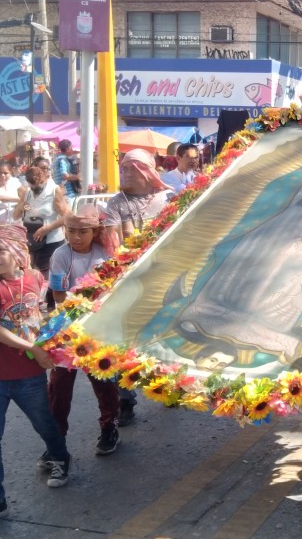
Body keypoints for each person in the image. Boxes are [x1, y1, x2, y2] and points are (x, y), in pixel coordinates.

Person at [139, 134, 302, 371]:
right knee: (252, 248)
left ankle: (269, 319)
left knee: (290, 258)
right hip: (291, 217)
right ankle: (218, 304)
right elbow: (285, 187)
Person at [0, 224, 71, 517]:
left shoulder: (36, 279)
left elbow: (48, 311)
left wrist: (55, 340)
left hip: (29, 375)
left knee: (44, 423)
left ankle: (60, 458)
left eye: (1, 250)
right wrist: (34, 349)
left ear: (17, 254)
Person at [105, 149, 174, 425]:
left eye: (131, 169)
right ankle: (126, 400)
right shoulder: (115, 203)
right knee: (125, 343)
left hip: (165, 280)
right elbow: (115, 245)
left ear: (148, 173)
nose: (125, 174)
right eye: (123, 169)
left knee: (162, 338)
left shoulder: (167, 198)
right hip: (129, 284)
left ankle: (167, 386)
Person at [47, 206, 121, 456]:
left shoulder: (105, 253)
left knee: (104, 381)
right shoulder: (60, 254)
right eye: (71, 231)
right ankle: (56, 440)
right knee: (59, 386)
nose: (76, 237)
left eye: (83, 231)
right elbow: (58, 295)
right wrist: (82, 303)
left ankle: (109, 426)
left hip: (100, 328)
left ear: (95, 231)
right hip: (68, 328)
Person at [13, 166, 69, 285]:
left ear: (44, 180)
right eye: (32, 186)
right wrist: (21, 206)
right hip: (32, 240)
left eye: (39, 186)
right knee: (33, 273)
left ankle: (52, 299)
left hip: (52, 240)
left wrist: (47, 228)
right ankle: (37, 299)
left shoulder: (54, 191)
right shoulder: (27, 192)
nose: (36, 188)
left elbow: (68, 216)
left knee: (48, 274)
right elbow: (15, 216)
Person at [52, 139, 80, 205]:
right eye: (71, 148)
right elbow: (64, 175)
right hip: (68, 193)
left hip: (61, 192)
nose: (72, 150)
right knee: (70, 213)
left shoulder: (57, 159)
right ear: (68, 149)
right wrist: (78, 177)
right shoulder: (63, 160)